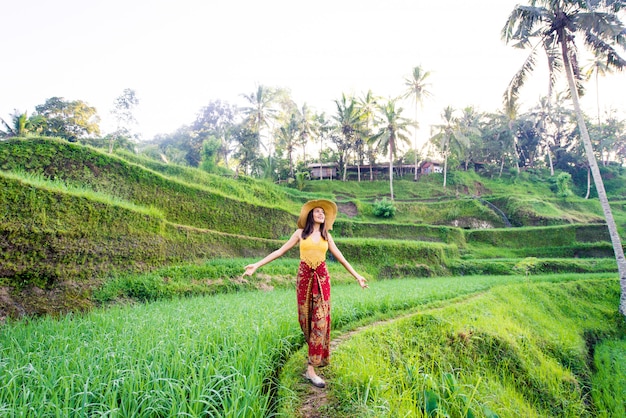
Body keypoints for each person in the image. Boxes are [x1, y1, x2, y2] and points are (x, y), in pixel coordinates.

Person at [243, 199, 368, 388]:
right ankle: (314, 358)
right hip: (304, 280)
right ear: (310, 215)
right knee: (305, 320)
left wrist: (357, 276)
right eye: (317, 211)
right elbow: (279, 251)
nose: (320, 214)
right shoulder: (300, 234)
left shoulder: (327, 236)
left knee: (320, 320)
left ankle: (311, 369)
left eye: (323, 212)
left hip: (322, 280)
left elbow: (341, 258)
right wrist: (257, 265)